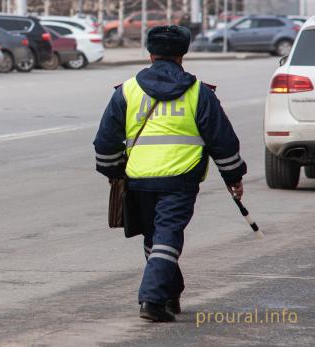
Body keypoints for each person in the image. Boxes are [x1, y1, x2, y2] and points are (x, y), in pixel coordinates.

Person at [93, 25, 247, 322]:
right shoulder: (199, 93)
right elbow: (222, 140)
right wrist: (233, 177)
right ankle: (152, 300)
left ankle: (169, 293)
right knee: (165, 236)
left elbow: (105, 142)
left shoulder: (127, 91)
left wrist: (114, 171)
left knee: (156, 237)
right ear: (182, 54)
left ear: (150, 53)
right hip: (180, 178)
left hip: (139, 178)